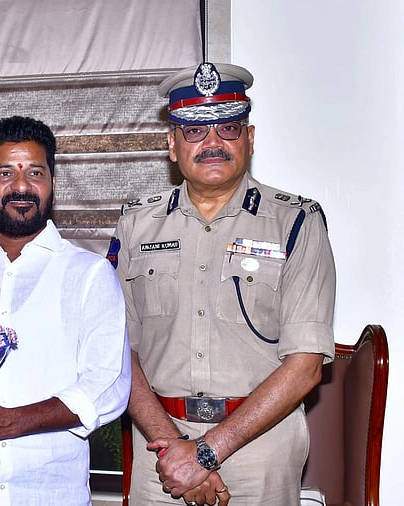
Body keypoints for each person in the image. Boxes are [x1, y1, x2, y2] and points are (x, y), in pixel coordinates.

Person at [109, 62, 336, 506]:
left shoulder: (296, 222)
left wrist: (208, 452)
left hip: (260, 452)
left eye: (227, 128)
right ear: (172, 146)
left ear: (249, 139)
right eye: (194, 132)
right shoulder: (135, 225)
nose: (212, 143)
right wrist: (175, 450)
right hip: (161, 455)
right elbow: (117, 351)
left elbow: (306, 364)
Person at [0, 116, 131, 505]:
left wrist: (8, 423)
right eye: (5, 173)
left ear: (52, 185)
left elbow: (107, 387)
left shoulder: (90, 274)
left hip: (54, 495)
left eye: (35, 172)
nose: (21, 186)